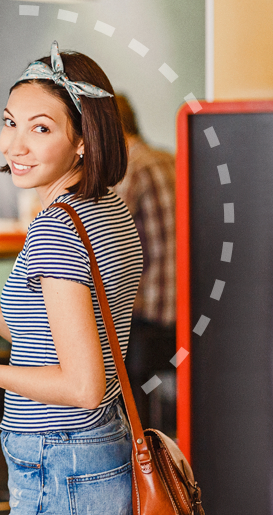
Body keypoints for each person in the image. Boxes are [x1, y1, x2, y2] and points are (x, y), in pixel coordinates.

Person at [0, 42, 142, 514]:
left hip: (59, 455)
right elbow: (53, 339)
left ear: (83, 140)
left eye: (40, 129)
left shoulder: (56, 227)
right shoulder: (105, 207)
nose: (13, 145)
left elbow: (83, 385)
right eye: (9, 121)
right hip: (96, 444)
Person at [113, 94, 177, 434]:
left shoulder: (129, 169)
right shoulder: (169, 159)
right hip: (184, 312)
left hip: (148, 316)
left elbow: (102, 241)